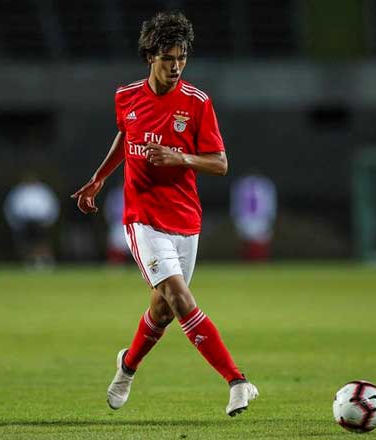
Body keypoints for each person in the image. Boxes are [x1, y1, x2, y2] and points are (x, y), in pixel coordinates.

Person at [71, 11, 258, 417]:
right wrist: (99, 178)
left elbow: (220, 163)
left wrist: (180, 157)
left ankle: (126, 367)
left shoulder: (197, 103)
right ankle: (237, 380)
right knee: (179, 297)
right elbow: (126, 137)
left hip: (185, 218)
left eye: (182, 58)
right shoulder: (126, 96)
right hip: (142, 218)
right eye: (168, 58)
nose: (176, 67)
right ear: (150, 56)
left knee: (163, 309)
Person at [4, 175, 59, 268]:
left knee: (42, 242)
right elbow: (10, 207)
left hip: (41, 221)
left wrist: (50, 221)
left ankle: (45, 261)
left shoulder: (43, 190)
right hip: (24, 222)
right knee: (27, 243)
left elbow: (52, 205)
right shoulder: (19, 191)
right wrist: (14, 223)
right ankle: (30, 262)